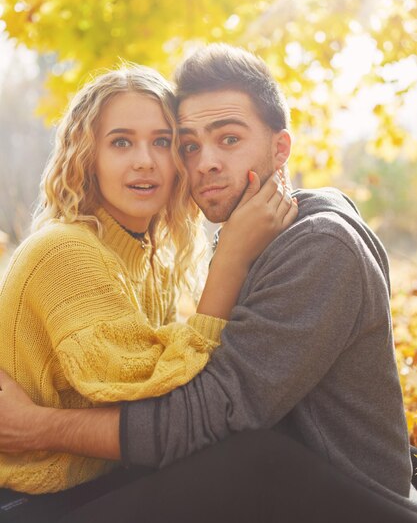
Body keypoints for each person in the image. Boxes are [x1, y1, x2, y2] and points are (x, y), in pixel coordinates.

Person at [1, 44, 417, 523]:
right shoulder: (79, 250)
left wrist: (37, 427)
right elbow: (176, 395)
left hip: (352, 501)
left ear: (280, 148)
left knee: (249, 454)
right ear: (85, 156)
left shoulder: (318, 246)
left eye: (229, 139)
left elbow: (199, 414)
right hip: (40, 492)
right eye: (191, 145)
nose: (205, 163)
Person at [0, 62, 297, 497]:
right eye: (121, 142)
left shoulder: (149, 255)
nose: (145, 161)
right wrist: (230, 257)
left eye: (163, 142)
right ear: (88, 157)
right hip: (35, 498)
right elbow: (162, 402)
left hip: (105, 483)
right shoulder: (66, 251)